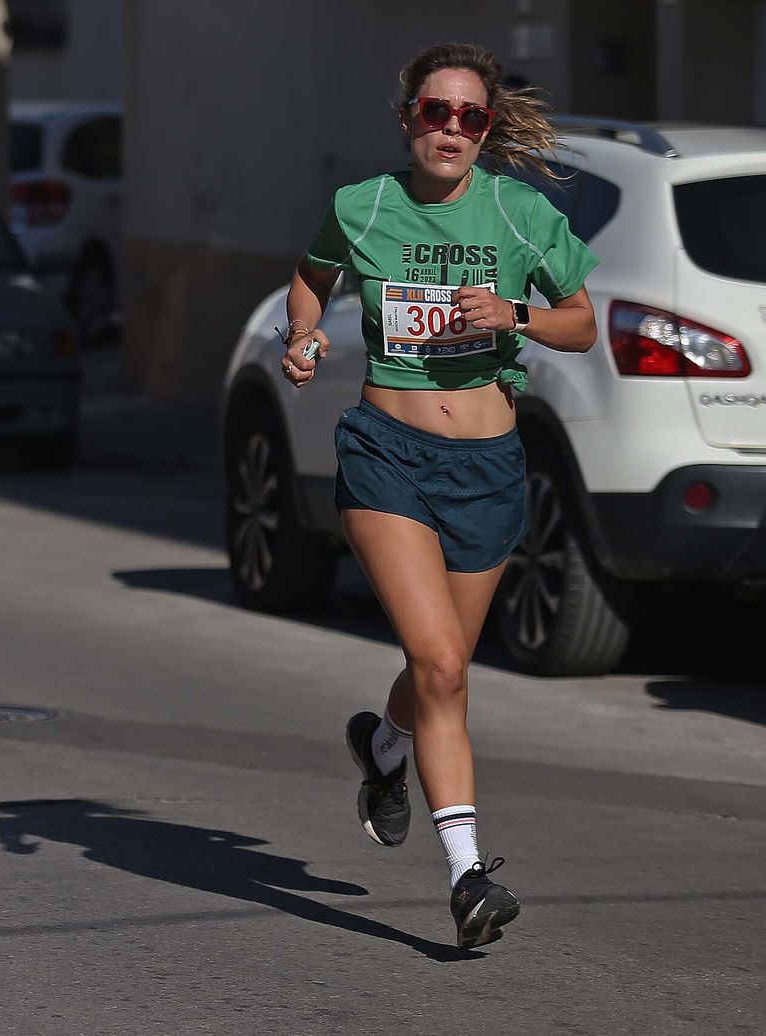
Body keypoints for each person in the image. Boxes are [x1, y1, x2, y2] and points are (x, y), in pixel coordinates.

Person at [281, 42, 598, 949]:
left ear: (486, 129)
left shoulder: (519, 211)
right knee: (445, 669)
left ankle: (384, 749)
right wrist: (299, 338)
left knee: (440, 666)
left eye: (470, 117)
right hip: (387, 454)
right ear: (408, 117)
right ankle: (467, 876)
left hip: (489, 469)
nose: (451, 129)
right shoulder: (362, 205)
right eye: (435, 112)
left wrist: (516, 315)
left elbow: (579, 321)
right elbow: (312, 272)